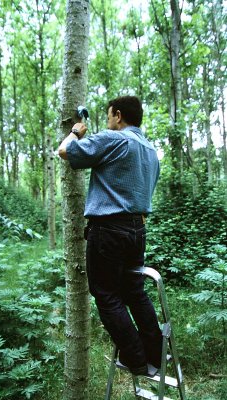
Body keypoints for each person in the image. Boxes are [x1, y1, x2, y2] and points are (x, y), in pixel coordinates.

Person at [58, 95, 162, 376]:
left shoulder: (114, 139)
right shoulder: (151, 151)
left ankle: (136, 358)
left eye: (108, 116)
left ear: (118, 115)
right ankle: (155, 353)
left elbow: (65, 152)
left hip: (109, 230)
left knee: (105, 295)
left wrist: (75, 132)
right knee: (134, 291)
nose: (107, 122)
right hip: (137, 229)